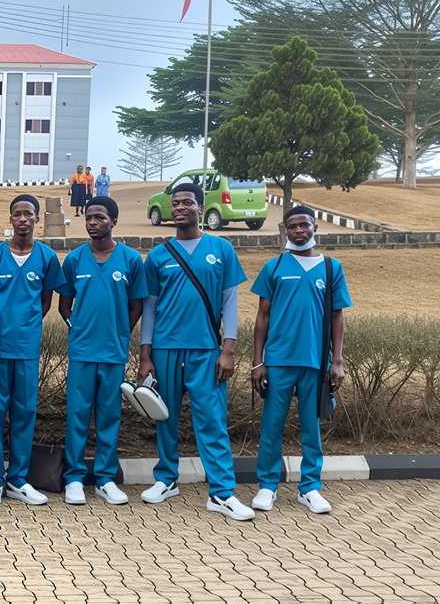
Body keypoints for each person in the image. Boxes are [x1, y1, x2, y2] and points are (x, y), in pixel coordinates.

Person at [137, 183, 254, 521]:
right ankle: (166, 479)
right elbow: (150, 309)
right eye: (176, 203)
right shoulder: (159, 255)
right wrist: (146, 355)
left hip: (206, 350)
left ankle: (221, 492)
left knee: (212, 421)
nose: (180, 208)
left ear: (201, 208)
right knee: (165, 418)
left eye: (188, 202)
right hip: (165, 349)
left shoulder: (221, 249)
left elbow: (230, 301)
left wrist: (228, 349)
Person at [249, 205, 351, 515]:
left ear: (314, 227)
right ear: (285, 230)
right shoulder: (275, 266)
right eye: (292, 226)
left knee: (311, 427)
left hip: (316, 361)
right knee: (272, 426)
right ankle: (267, 486)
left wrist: (337, 360)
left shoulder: (332, 268)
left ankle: (310, 488)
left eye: (304, 225)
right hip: (279, 360)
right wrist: (257, 361)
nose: (298, 231)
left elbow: (337, 318)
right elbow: (262, 317)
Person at [0, 196, 64, 507]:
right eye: (17, 214)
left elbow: (46, 302)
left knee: (24, 412)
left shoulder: (47, 257)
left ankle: (18, 480)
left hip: (27, 347)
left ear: (37, 219)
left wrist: (25, 325)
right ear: (10, 219)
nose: (23, 219)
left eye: (29, 214)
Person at [57, 197, 147, 505]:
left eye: (100, 217)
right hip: (82, 352)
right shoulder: (74, 260)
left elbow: (137, 305)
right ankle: (73, 478)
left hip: (113, 352)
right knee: (77, 416)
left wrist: (121, 330)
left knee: (109, 416)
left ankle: (106, 479)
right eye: (89, 217)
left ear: (113, 222)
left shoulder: (131, 260)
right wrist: (80, 328)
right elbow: (63, 305)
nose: (93, 222)